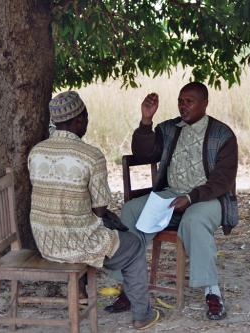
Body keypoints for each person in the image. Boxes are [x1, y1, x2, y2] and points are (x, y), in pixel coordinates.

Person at [28, 91, 160, 330]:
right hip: (76, 244)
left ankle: (105, 293)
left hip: (45, 241)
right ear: (79, 120)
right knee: (133, 246)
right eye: (85, 117)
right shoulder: (91, 156)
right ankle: (142, 315)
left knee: (113, 236)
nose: (87, 122)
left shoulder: (36, 153)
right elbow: (100, 210)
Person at [105, 82, 238, 320]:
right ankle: (129, 288)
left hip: (207, 197)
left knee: (194, 219)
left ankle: (212, 291)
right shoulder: (168, 128)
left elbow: (223, 179)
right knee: (130, 211)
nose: (183, 105)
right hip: (171, 193)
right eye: (180, 100)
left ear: (205, 103)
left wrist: (190, 197)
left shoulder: (223, 134)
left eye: (190, 101)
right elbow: (143, 154)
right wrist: (146, 121)